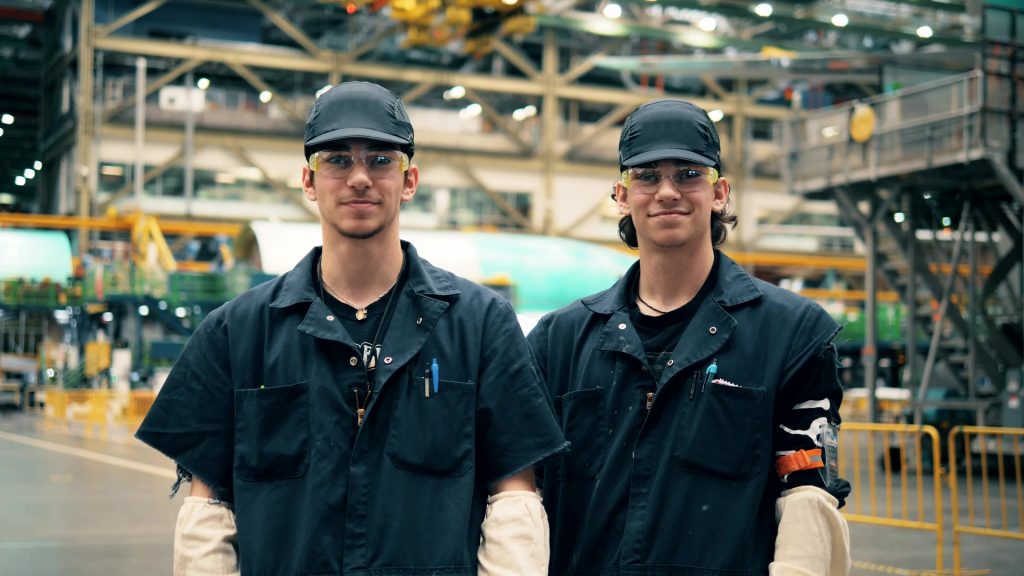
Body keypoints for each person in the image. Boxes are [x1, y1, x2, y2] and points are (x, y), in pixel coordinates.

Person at [137, 80, 567, 576]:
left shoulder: (481, 325)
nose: (359, 177)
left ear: (409, 181)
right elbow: (208, 512)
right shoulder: (237, 333)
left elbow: (514, 497)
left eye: (381, 160)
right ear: (308, 181)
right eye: (337, 160)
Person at [526, 99, 851, 576]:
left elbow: (807, 497)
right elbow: (522, 495)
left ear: (719, 192)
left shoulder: (792, 333)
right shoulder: (560, 340)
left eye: (687, 174)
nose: (667, 191)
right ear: (621, 195)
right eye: (647, 176)